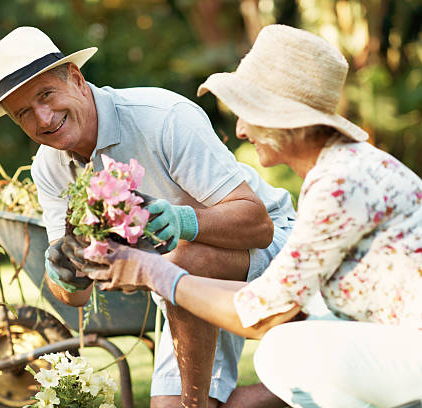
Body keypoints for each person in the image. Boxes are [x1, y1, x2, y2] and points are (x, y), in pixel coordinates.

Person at [66, 24, 422, 408]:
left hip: (408, 349)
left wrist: (154, 272)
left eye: (247, 113)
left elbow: (265, 317)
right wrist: (161, 274)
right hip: (396, 343)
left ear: (284, 118)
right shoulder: (340, 171)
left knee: (283, 351)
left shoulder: (341, 184)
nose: (238, 130)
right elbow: (267, 300)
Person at [0, 26, 296, 407]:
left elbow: (258, 225)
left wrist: (183, 222)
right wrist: (63, 266)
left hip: (274, 249)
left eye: (46, 95)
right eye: (24, 112)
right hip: (177, 285)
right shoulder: (50, 166)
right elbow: (73, 299)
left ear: (76, 78)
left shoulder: (163, 118)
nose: (43, 119)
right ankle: (310, 395)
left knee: (183, 256)